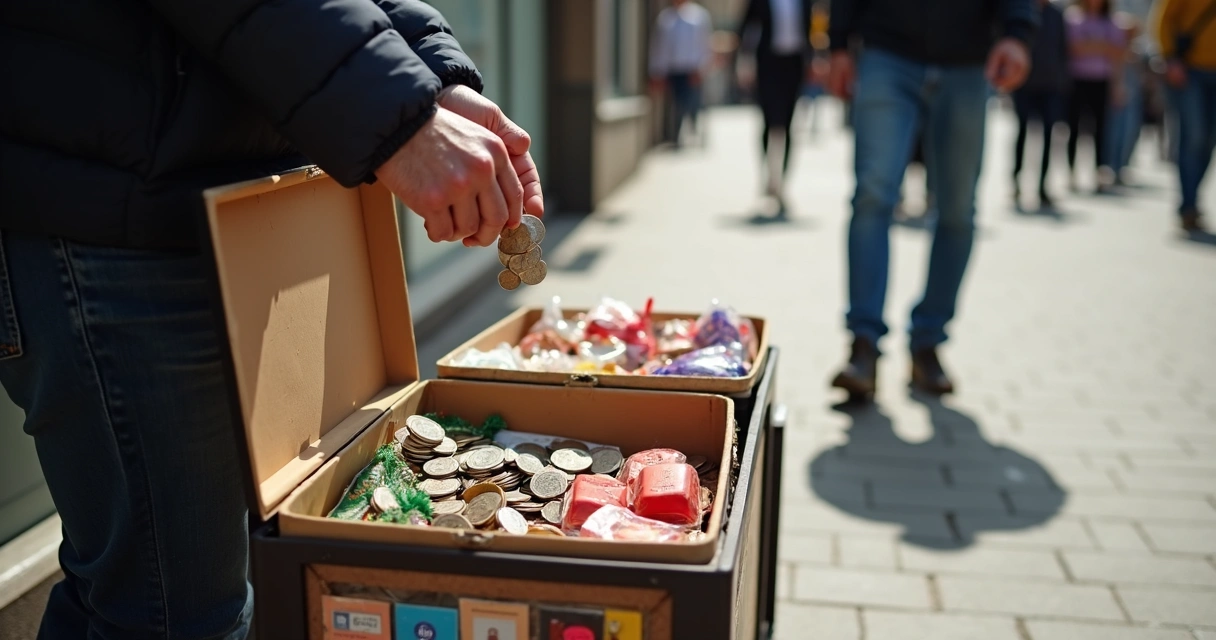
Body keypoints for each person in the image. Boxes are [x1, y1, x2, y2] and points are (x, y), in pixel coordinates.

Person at [0, 1, 543, 638]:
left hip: (202, 203)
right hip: (110, 215)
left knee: (136, 599)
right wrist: (401, 117)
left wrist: (429, 77)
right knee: (177, 616)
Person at [826, 0, 1035, 398]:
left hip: (970, 59)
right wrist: (838, 44)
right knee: (872, 195)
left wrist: (1017, 34)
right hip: (886, 50)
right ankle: (863, 345)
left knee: (958, 210)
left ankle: (928, 342)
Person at [737, 0, 815, 209]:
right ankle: (767, 175)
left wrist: (814, 60)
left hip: (794, 65)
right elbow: (745, 27)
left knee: (788, 125)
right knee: (768, 122)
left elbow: (812, 28)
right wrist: (743, 64)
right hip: (767, 65)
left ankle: (782, 183)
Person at [1155, 0, 1216, 232]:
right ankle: (1188, 205)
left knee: (1209, 140)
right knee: (1194, 135)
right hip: (1191, 70)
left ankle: (1192, 197)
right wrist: (1170, 58)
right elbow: (1163, 20)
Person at [1014, 0, 1072, 209]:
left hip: (1051, 86)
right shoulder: (1020, 9)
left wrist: (1063, 82)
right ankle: (1016, 179)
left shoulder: (1057, 14)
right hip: (1023, 83)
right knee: (1021, 133)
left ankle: (1042, 186)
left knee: (1049, 136)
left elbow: (1064, 49)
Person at [1065, 0, 1127, 193]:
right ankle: (1071, 172)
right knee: (1074, 127)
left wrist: (1117, 85)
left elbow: (1118, 53)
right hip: (1077, 80)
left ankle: (1099, 172)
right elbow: (1073, 48)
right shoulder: (1073, 18)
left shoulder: (1112, 22)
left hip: (1101, 81)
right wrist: (1103, 46)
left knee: (1100, 129)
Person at [649, 0, 714, 148]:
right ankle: (677, 137)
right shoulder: (665, 18)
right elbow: (659, 47)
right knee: (677, 105)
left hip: (692, 69)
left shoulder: (699, 16)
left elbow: (705, 44)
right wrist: (657, 71)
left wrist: (702, 68)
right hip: (673, 69)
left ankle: (695, 133)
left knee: (693, 103)